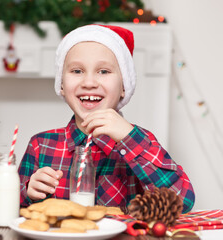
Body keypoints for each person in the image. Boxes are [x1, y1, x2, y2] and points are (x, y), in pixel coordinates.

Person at [18, 24, 195, 213]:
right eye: (77, 71)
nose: (89, 83)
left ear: (124, 86)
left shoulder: (141, 143)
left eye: (103, 71)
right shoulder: (41, 145)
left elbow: (183, 201)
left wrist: (129, 138)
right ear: (61, 84)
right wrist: (29, 192)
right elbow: (14, 208)